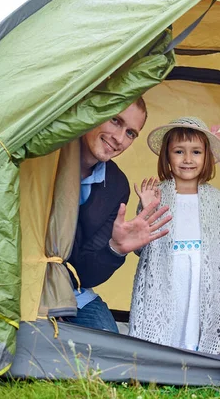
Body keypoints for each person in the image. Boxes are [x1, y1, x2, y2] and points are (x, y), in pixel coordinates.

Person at [128, 116, 220, 354]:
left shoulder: (217, 200)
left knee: (196, 319)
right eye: (179, 151)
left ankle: (197, 357)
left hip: (202, 274)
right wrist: (146, 209)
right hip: (167, 273)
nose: (188, 159)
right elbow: (140, 248)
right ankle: (162, 357)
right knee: (169, 317)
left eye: (196, 152)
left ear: (206, 157)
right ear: (167, 156)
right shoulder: (157, 194)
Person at [64, 97, 172, 333]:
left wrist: (114, 249)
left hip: (69, 289)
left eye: (131, 133)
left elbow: (85, 275)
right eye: (115, 120)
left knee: (110, 349)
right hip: (19, 276)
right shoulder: (49, 154)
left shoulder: (116, 185)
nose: (119, 139)